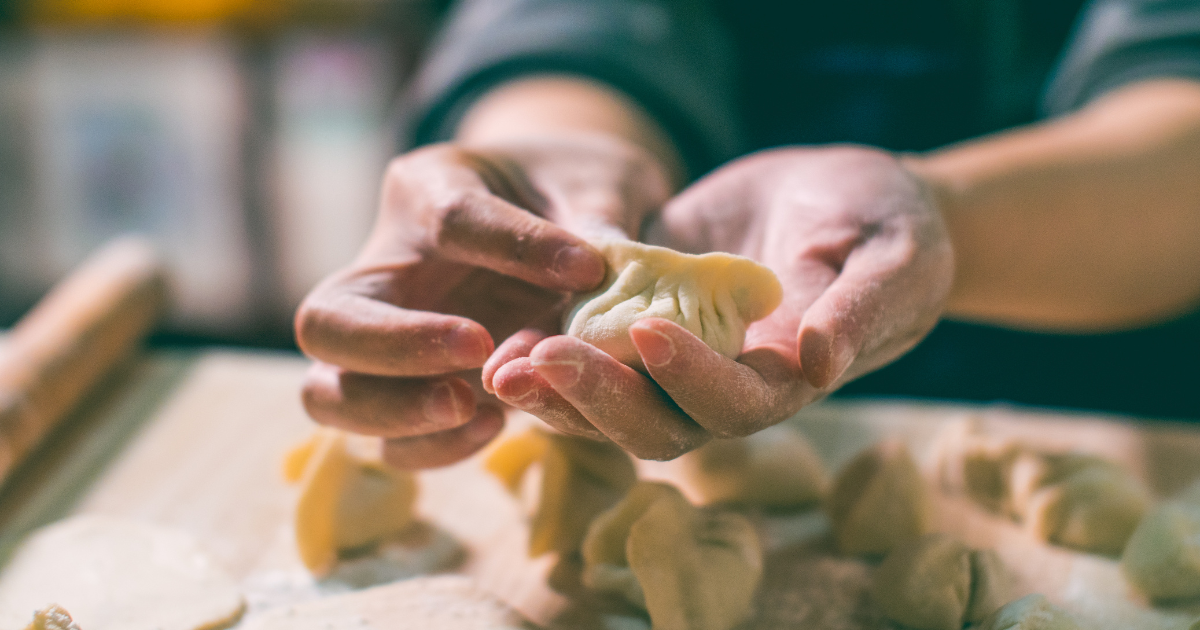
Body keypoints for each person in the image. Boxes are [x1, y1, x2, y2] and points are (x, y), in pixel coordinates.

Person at [295, 0, 1200, 469]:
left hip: (1117, 408)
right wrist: (551, 172)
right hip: (687, 466)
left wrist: (945, 220)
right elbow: (571, 21)